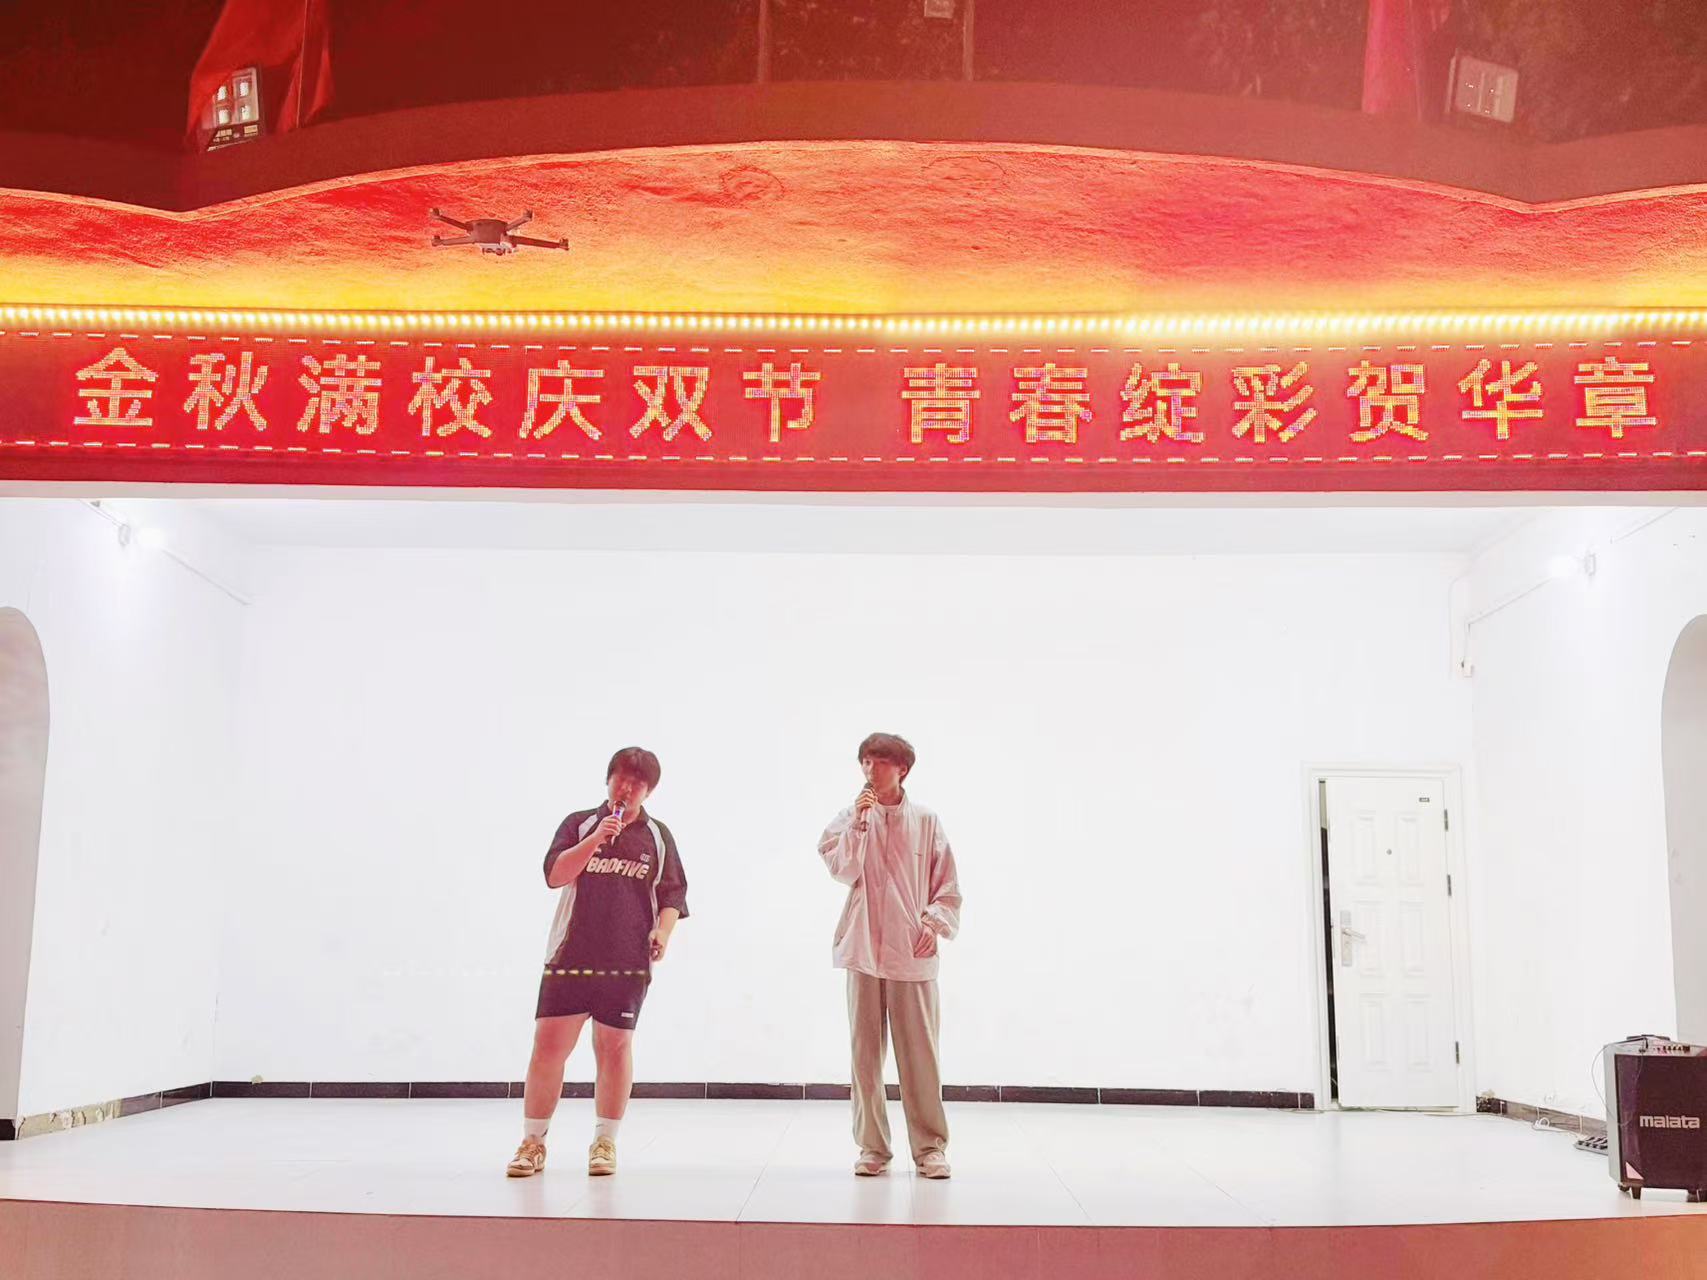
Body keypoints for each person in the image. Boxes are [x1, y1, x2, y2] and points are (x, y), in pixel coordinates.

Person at [506, 746, 688, 1178]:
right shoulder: (580, 823)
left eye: (638, 783)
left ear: (649, 791)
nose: (627, 788)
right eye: (621, 778)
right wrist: (595, 840)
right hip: (570, 956)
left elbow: (673, 894)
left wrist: (662, 933)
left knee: (614, 1048)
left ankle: (605, 1142)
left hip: (626, 961)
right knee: (548, 1047)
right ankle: (533, 1142)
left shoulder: (658, 836)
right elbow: (555, 875)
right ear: (608, 780)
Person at [817, 732, 962, 1179]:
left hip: (911, 951)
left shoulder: (926, 821)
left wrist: (933, 924)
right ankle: (872, 1147)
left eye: (879, 762)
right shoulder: (849, 818)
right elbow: (843, 871)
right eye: (865, 762)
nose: (870, 770)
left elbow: (947, 885)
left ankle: (930, 1148)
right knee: (864, 1056)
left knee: (920, 1057)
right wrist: (860, 826)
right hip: (862, 950)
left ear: (902, 769)